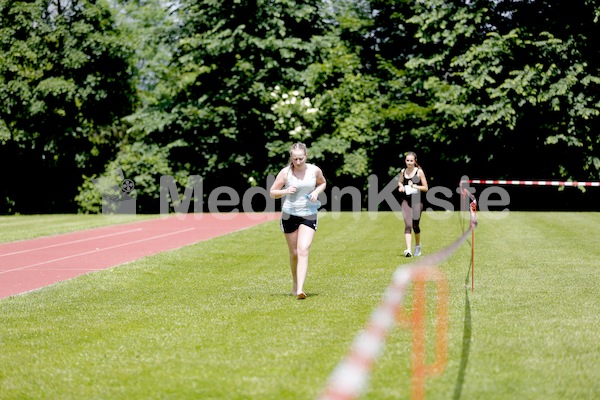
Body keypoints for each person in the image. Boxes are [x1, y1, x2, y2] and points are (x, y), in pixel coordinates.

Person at [270, 143, 326, 300]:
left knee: (303, 250)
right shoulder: (285, 173)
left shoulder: (314, 170)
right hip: (289, 214)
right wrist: (285, 191)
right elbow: (272, 192)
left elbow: (323, 183)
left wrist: (316, 191)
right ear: (291, 158)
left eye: (301, 158)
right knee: (294, 253)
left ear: (306, 156)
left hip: (309, 213)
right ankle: (295, 285)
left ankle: (300, 289)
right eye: (295, 159)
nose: (298, 161)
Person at [397, 151, 429, 257]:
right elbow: (400, 182)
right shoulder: (403, 171)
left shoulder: (419, 172)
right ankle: (408, 250)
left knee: (415, 224)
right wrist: (401, 187)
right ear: (405, 161)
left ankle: (418, 246)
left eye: (411, 161)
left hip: (417, 201)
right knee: (408, 225)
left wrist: (414, 186)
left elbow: (425, 188)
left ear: (415, 161)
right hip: (405, 200)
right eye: (407, 160)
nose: (409, 163)